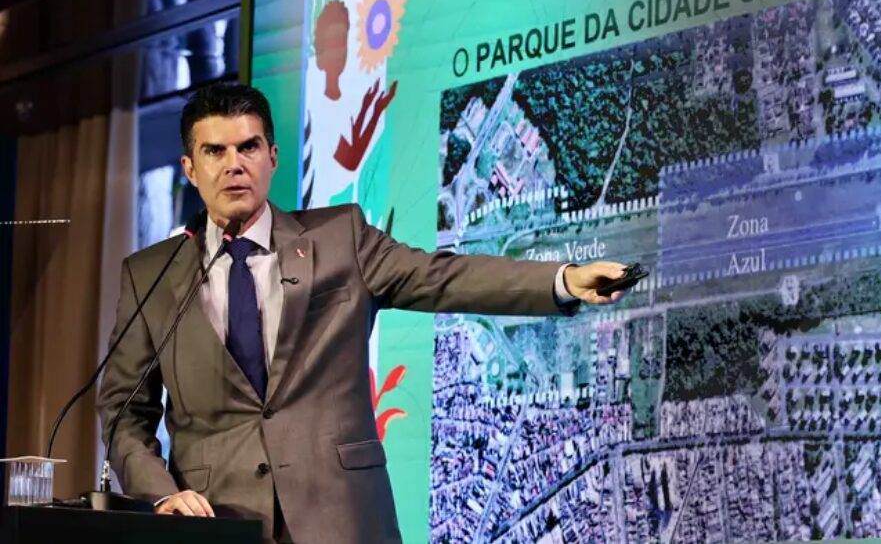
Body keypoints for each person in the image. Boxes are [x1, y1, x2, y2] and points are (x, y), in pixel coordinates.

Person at [96, 83, 628, 543]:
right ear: (190, 168)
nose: (234, 164)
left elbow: (441, 277)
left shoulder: (340, 240)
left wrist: (561, 281)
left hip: (340, 518)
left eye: (248, 146)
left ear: (273, 157)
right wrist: (160, 495)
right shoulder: (151, 276)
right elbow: (123, 413)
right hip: (214, 525)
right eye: (215, 151)